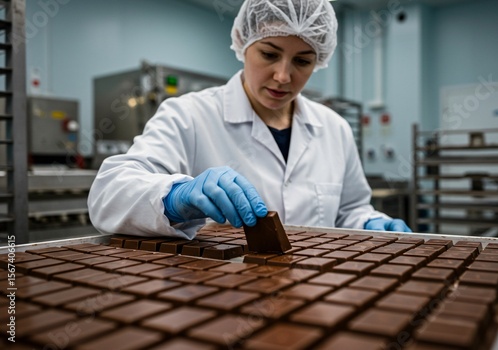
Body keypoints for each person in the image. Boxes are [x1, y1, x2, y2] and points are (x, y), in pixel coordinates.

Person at [88, 0, 411, 240]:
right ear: (244, 43)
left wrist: (369, 223)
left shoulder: (334, 128)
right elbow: (108, 196)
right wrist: (175, 198)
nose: (283, 76)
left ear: (319, 61)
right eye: (269, 54)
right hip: (221, 294)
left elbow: (350, 211)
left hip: (316, 294)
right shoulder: (189, 114)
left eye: (302, 61)